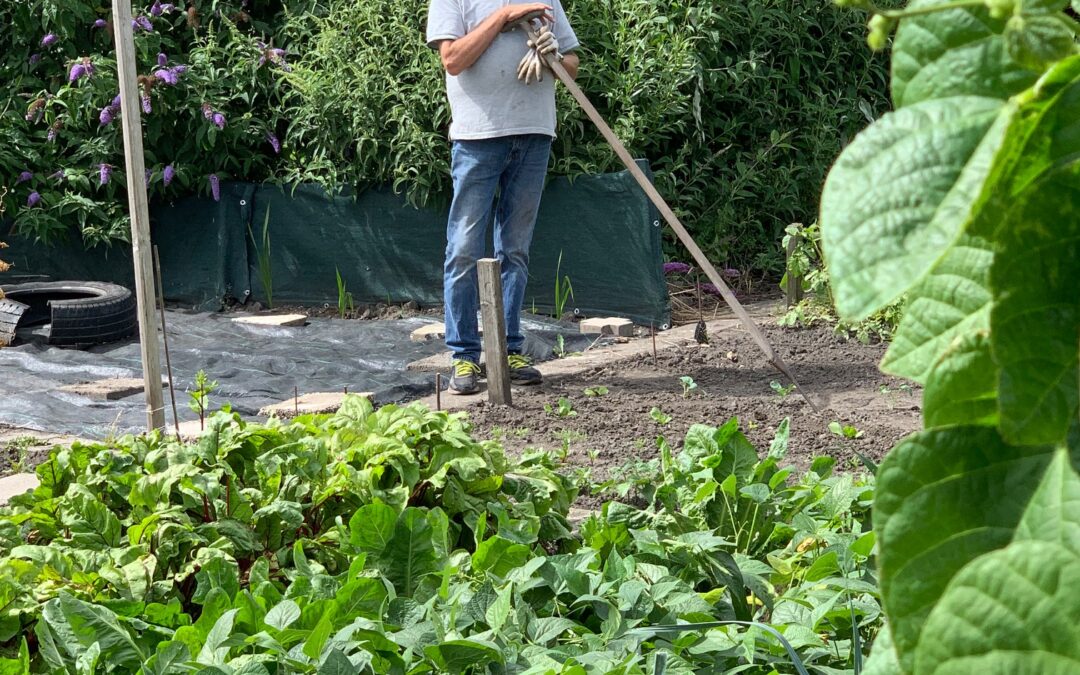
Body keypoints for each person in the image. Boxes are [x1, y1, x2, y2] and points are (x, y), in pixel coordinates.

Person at [425, 0, 580, 395]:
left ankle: (509, 349)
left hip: (534, 133)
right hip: (477, 138)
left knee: (515, 249)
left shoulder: (544, 3)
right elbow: (453, 59)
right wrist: (502, 19)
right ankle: (463, 354)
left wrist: (552, 57)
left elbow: (573, 66)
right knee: (463, 249)